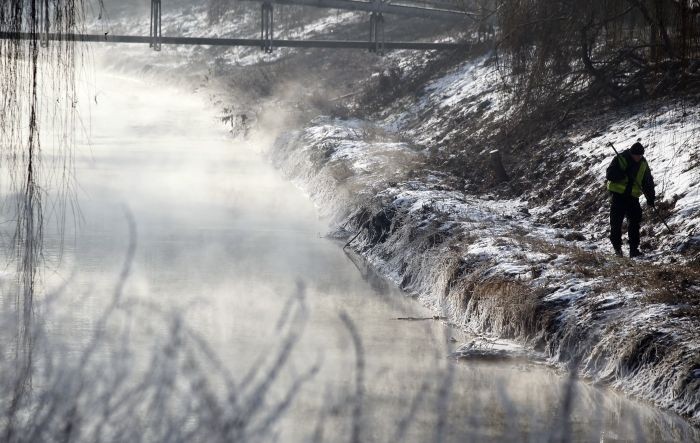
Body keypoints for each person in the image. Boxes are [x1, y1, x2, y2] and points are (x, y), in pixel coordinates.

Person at [606, 141, 655, 257]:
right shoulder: (621, 158)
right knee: (616, 223)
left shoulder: (643, 163)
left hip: (633, 197)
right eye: (636, 156)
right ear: (631, 153)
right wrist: (623, 174)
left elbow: (648, 181)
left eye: (640, 156)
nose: (638, 158)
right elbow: (610, 174)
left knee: (635, 222)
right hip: (618, 196)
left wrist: (650, 197)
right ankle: (617, 248)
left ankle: (634, 249)